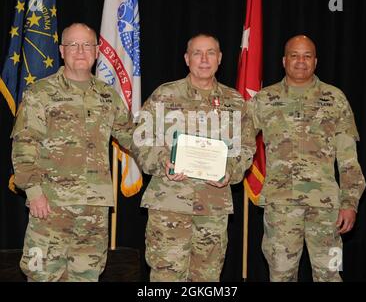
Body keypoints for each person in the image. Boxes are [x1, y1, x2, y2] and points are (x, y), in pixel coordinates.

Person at [11, 23, 133, 282]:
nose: (80, 51)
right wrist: (33, 193)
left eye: (87, 45)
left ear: (97, 51)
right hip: (50, 206)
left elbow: (133, 137)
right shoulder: (41, 93)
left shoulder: (107, 96)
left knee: (87, 276)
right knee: (42, 274)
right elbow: (24, 143)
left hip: (94, 209)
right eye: (73, 45)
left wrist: (172, 160)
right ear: (62, 50)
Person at [131, 33, 254, 281]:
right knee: (166, 279)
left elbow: (247, 147)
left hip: (213, 207)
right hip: (169, 205)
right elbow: (140, 139)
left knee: (206, 280)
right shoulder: (164, 95)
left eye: (210, 53)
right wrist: (162, 161)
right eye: (197, 53)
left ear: (219, 59)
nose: (204, 59)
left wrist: (230, 170)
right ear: (187, 59)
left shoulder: (235, 102)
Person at [246, 35, 366, 282]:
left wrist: (350, 202)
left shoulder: (335, 99)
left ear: (315, 61)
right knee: (280, 276)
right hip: (280, 209)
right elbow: (239, 144)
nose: (301, 61)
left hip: (328, 210)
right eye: (294, 55)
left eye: (307, 56)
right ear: (283, 60)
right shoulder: (264, 100)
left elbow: (348, 159)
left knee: (332, 274)